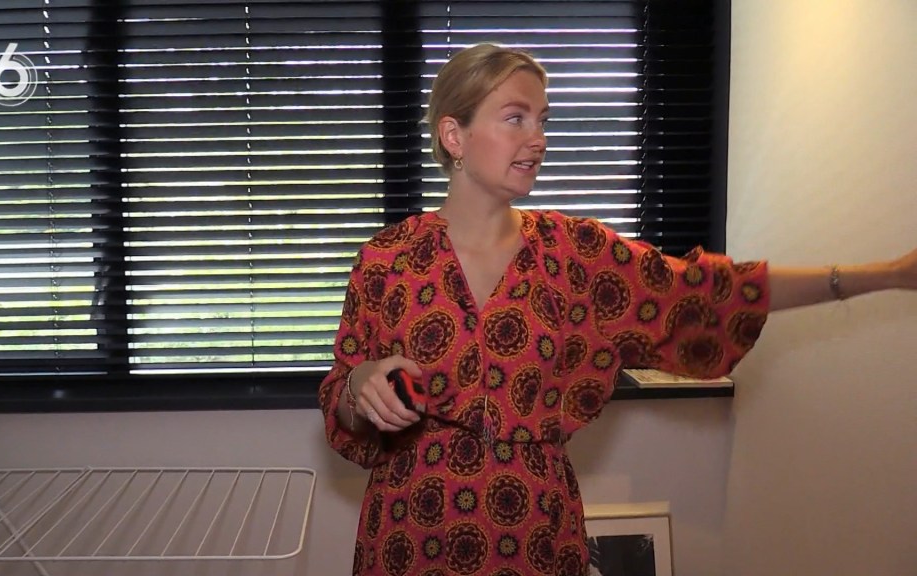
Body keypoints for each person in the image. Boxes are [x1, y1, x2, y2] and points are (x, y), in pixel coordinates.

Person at [317, 43, 917, 576]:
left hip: (534, 533)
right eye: (516, 118)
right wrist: (359, 384)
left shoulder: (576, 254)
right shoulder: (387, 260)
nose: (538, 138)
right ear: (455, 135)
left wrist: (884, 274)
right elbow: (342, 402)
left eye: (543, 120)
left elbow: (711, 292)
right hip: (409, 531)